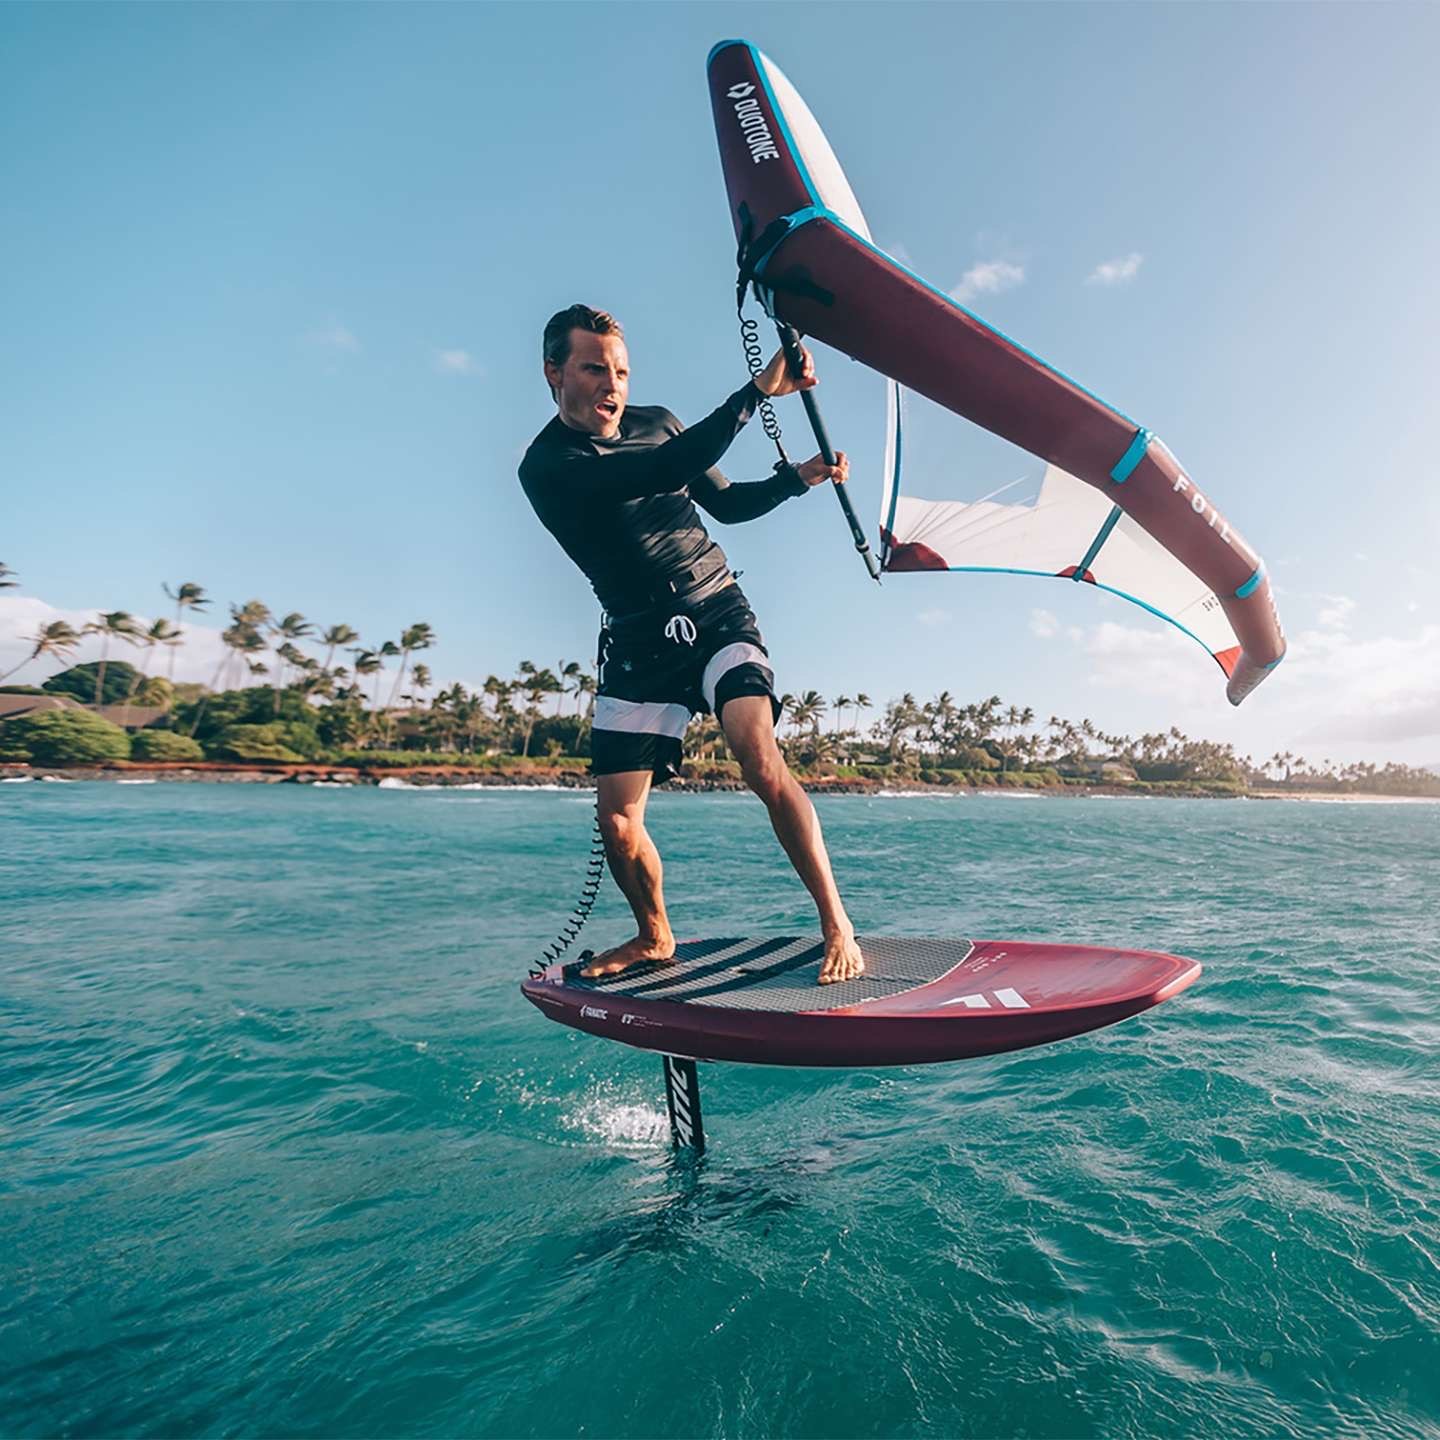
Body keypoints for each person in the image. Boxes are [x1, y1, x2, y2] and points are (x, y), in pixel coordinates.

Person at [519, 303, 865, 985]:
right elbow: (659, 470)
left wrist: (800, 477)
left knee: (757, 755)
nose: (612, 385)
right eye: (594, 369)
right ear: (554, 372)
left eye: (620, 370)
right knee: (619, 823)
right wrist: (758, 391)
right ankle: (655, 938)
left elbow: (727, 503)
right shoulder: (547, 466)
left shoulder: (658, 422)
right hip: (635, 637)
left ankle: (836, 922)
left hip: (713, 607)